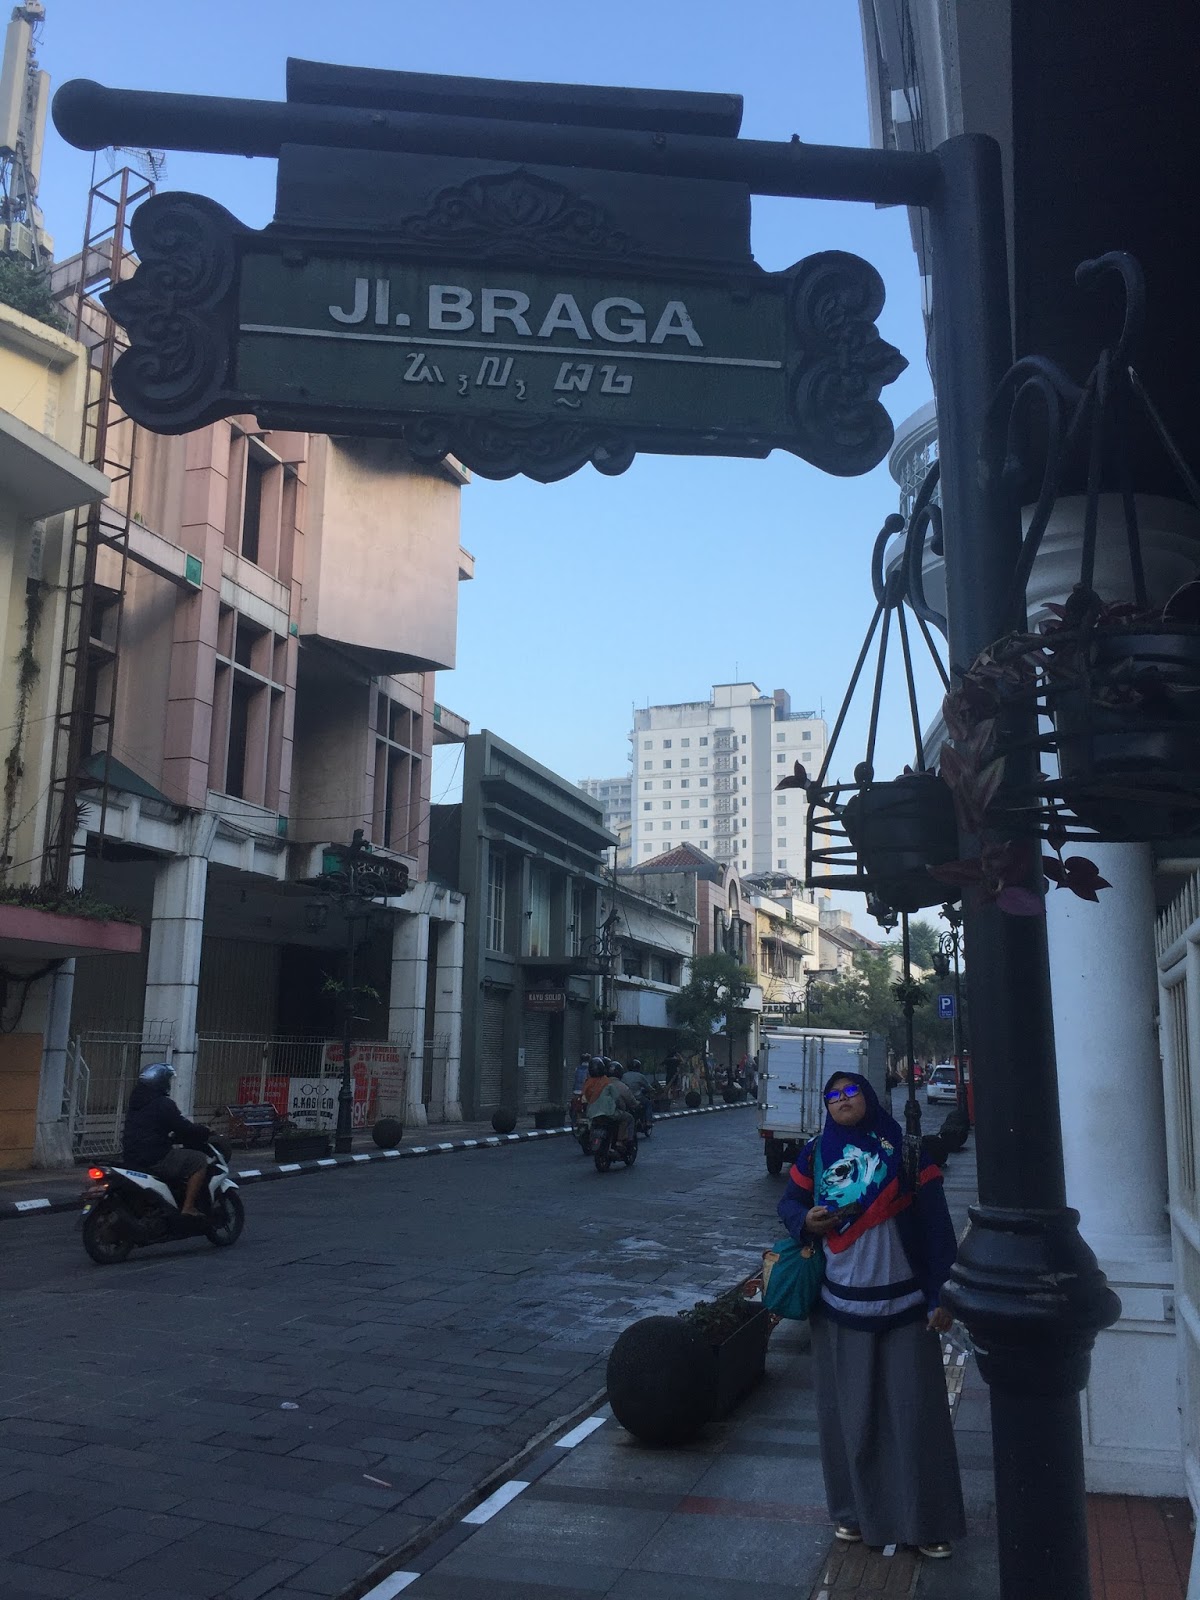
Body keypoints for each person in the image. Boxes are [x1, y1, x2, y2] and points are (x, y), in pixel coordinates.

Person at [777, 1070, 965, 1559]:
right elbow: (790, 1202)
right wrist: (805, 1220)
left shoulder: (907, 1153)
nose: (842, 1100)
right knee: (848, 1421)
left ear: (869, 1097)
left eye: (851, 1092)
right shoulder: (816, 1153)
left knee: (915, 1418)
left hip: (906, 1307)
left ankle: (928, 1523)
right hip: (838, 1309)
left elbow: (937, 1228)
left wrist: (940, 1296)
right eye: (833, 1095)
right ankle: (853, 1514)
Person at [121, 1062, 212, 1218]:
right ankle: (188, 1207)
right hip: (155, 1157)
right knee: (198, 1160)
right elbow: (182, 1127)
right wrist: (204, 1131)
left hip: (131, 1156)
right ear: (161, 1081)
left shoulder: (136, 1102)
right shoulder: (163, 1103)